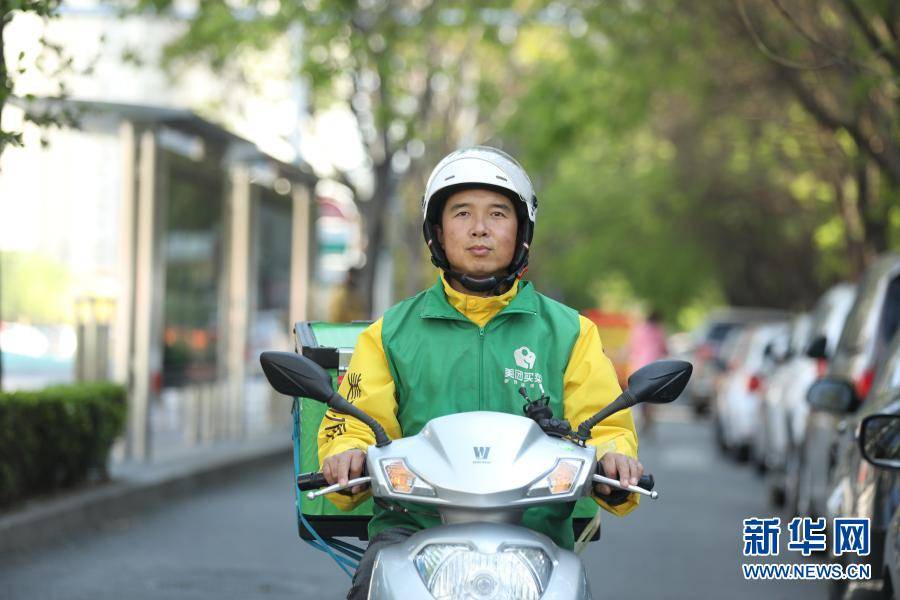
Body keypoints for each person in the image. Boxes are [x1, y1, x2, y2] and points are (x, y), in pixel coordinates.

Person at [316, 146, 643, 599]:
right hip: (411, 533)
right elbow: (355, 418)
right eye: (462, 213)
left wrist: (613, 455)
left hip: (536, 536)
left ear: (522, 231)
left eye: (498, 214)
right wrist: (349, 451)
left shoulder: (571, 333)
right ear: (437, 231)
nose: (479, 229)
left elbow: (605, 420)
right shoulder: (389, 333)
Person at [627, 310, 668, 437]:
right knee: (652, 398)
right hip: (654, 369)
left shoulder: (638, 329)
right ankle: (648, 421)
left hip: (638, 367)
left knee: (639, 397)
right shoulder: (659, 331)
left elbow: (631, 346)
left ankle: (641, 420)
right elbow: (664, 348)